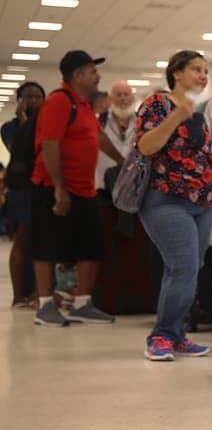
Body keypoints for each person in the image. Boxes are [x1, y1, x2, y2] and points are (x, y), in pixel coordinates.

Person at [134, 51, 212, 360]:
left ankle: (176, 335)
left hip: (202, 202)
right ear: (176, 73)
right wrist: (175, 117)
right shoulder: (157, 104)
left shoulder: (198, 114)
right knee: (184, 267)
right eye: (196, 69)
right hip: (166, 200)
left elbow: (203, 161)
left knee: (189, 269)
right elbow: (146, 146)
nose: (204, 76)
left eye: (205, 70)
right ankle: (161, 336)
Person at [29, 51, 123, 326]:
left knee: (90, 247)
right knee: (47, 247)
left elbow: (99, 137)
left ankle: (83, 303)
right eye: (93, 72)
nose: (98, 76)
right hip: (53, 187)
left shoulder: (83, 105)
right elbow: (50, 144)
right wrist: (59, 188)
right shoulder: (59, 101)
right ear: (77, 75)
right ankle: (45, 306)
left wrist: (121, 160)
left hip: (85, 190)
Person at [2, 81, 45, 308]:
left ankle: (39, 294)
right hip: (21, 190)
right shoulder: (10, 127)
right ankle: (19, 296)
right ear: (19, 101)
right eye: (28, 97)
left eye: (38, 97)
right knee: (22, 239)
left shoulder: (48, 124)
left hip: (42, 187)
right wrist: (25, 121)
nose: (34, 101)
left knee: (42, 241)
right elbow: (26, 146)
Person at [96, 80, 136, 194]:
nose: (123, 99)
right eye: (118, 95)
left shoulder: (142, 122)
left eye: (126, 94)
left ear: (132, 98)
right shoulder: (99, 121)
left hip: (132, 188)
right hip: (103, 187)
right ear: (111, 99)